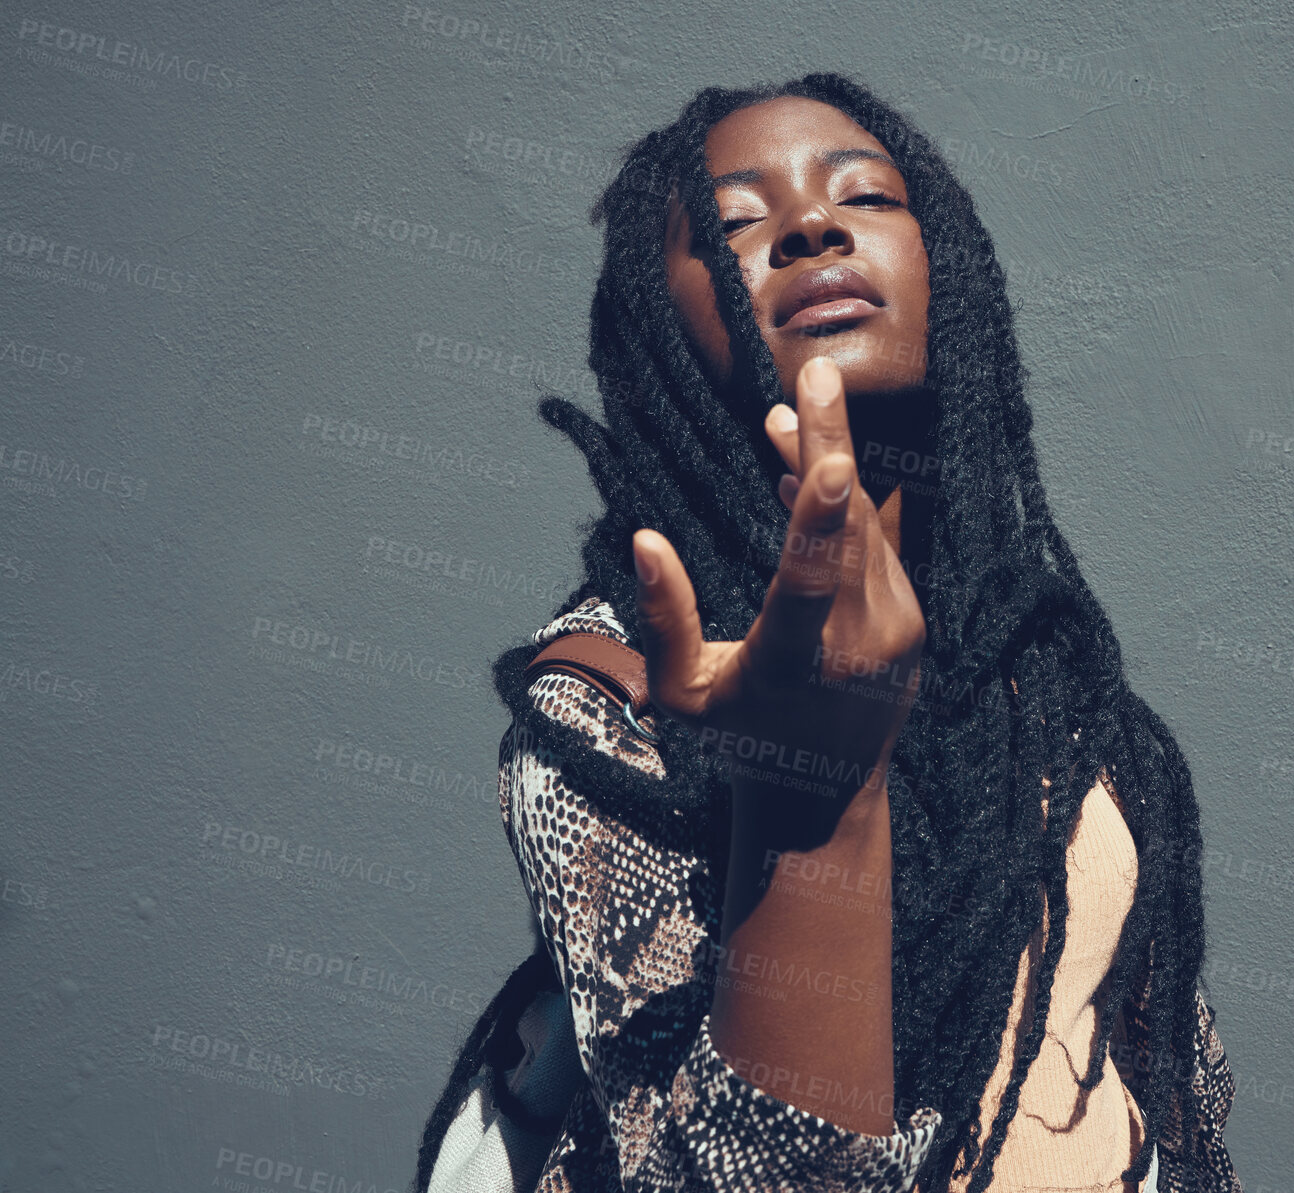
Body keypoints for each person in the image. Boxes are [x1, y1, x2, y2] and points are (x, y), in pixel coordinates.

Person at [416, 72, 1240, 1193]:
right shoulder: (614, 690)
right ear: (656, 328)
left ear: (948, 266)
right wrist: (819, 806)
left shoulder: (1043, 669)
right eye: (736, 223)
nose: (811, 224)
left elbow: (1165, 1077)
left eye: (866, 195)